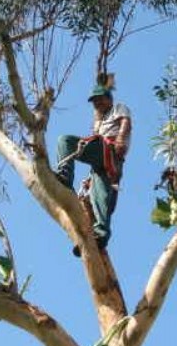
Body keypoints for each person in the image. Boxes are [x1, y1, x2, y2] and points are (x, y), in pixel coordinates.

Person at [56, 84, 132, 251]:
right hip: (100, 157)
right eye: (94, 101)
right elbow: (97, 123)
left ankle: (101, 234)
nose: (97, 103)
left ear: (108, 99)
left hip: (110, 150)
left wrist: (120, 140)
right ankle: (64, 175)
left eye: (99, 99)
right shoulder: (101, 119)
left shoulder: (118, 108)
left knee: (101, 198)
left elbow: (125, 122)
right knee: (65, 141)